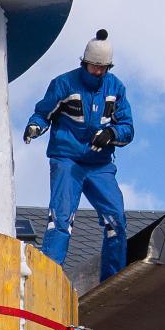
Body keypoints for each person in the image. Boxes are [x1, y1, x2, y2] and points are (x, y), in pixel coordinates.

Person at [25, 28, 136, 282]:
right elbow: (43, 113)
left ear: (109, 67)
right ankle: (48, 277)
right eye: (93, 66)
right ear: (83, 63)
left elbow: (127, 129)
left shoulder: (115, 88)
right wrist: (35, 127)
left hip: (100, 165)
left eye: (102, 68)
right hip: (68, 160)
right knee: (61, 218)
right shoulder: (64, 84)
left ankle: (112, 280)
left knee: (116, 220)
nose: (97, 72)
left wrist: (111, 133)